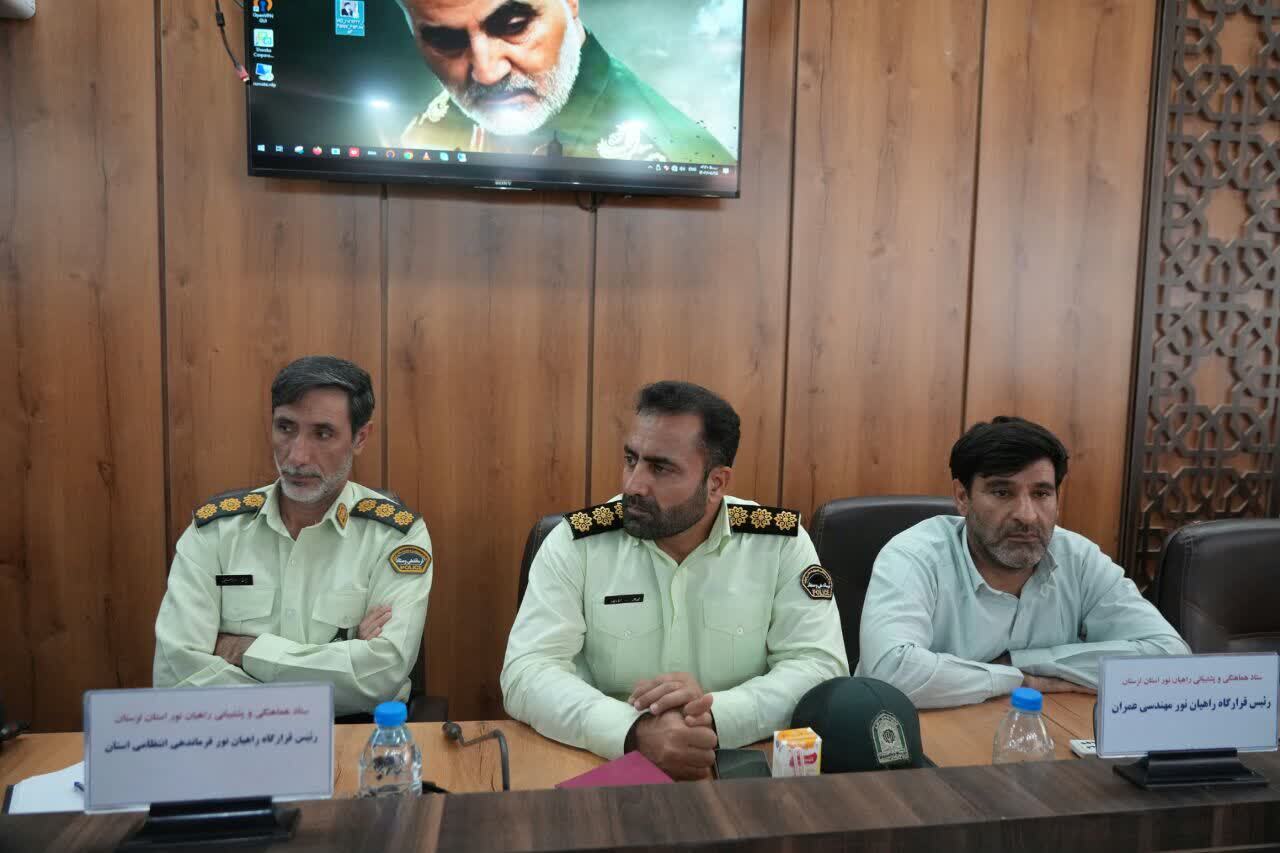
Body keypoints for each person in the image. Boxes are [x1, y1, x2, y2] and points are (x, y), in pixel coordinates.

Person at [501, 381, 849, 780]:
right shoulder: (577, 543)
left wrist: (714, 716)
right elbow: (526, 671)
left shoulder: (779, 543)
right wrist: (632, 731)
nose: (633, 485)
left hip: (735, 767)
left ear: (716, 483)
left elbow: (819, 666)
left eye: (660, 468)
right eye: (631, 459)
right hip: (602, 765)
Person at [153, 356, 434, 717]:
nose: (298, 456)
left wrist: (246, 651)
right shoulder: (216, 532)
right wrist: (343, 661)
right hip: (232, 733)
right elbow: (176, 674)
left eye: (323, 433)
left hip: (353, 735)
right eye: (286, 428)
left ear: (360, 438)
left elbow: (381, 675)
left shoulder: (395, 537)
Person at [857, 416, 1189, 709]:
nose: (1027, 516)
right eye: (1002, 493)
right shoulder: (914, 556)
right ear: (962, 497)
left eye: (1041, 494)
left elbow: (1170, 659)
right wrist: (1013, 677)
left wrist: (1023, 662)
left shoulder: (1079, 559)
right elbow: (890, 673)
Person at [394, 0, 735, 163]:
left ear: (571, 3)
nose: (486, 72)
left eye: (514, 26)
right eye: (446, 41)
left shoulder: (683, 158)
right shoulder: (428, 128)